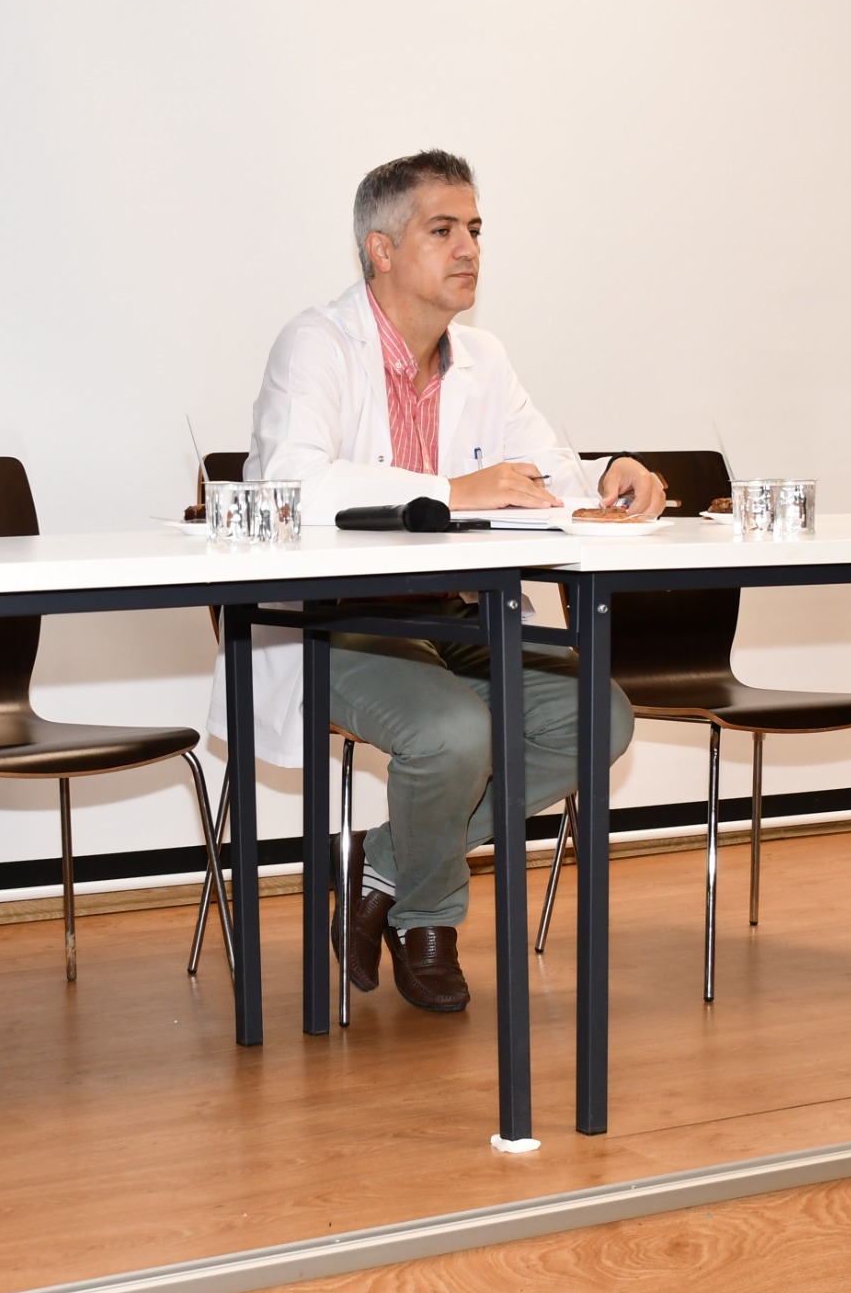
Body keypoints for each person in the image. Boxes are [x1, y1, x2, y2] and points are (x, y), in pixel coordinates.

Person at [219, 150, 660, 1011]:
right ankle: (427, 918)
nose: (469, 249)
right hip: (338, 623)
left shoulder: (483, 357)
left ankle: (382, 861)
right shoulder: (316, 344)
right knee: (455, 733)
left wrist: (613, 473)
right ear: (381, 250)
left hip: (464, 613)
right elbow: (292, 484)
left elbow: (548, 472)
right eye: (444, 229)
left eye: (476, 230)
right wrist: (451, 491)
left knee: (597, 716)